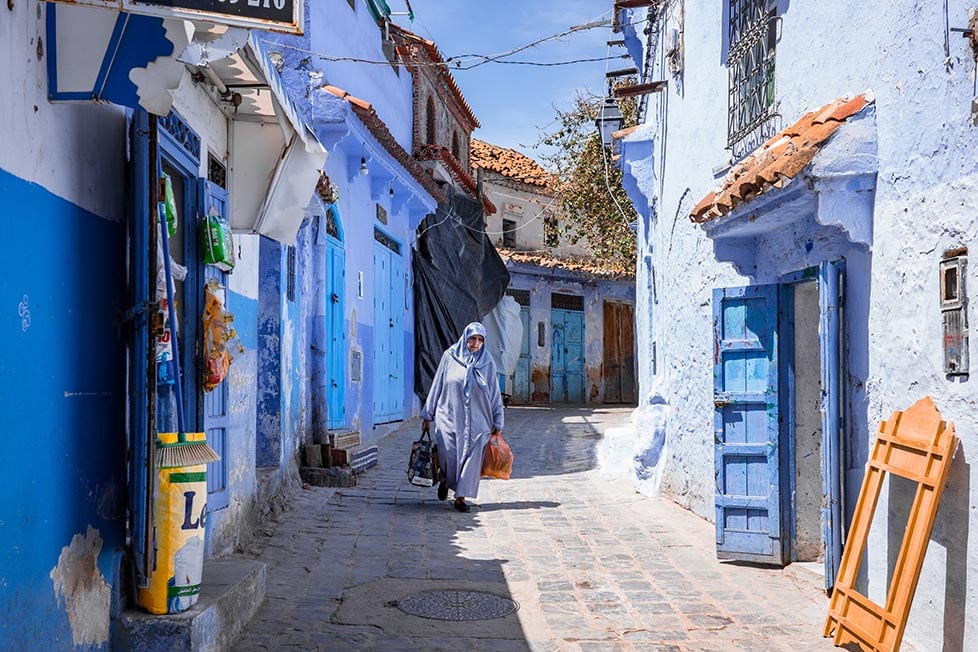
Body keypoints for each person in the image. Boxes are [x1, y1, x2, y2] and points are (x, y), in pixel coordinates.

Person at [420, 322, 504, 512]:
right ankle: (445, 480)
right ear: (465, 338)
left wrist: (498, 419)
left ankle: (460, 497)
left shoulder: (487, 362)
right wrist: (428, 415)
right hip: (449, 417)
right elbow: (437, 384)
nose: (475, 343)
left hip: (479, 421)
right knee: (448, 456)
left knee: (471, 460)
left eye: (480, 340)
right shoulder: (449, 357)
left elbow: (494, 392)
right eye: (472, 338)